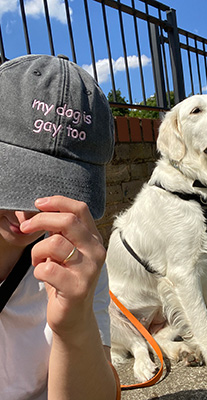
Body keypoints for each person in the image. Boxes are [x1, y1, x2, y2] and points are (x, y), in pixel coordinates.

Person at [0, 54, 120, 399]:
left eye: (57, 190)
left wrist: (74, 328)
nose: (26, 219)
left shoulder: (76, 259)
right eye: (11, 182)